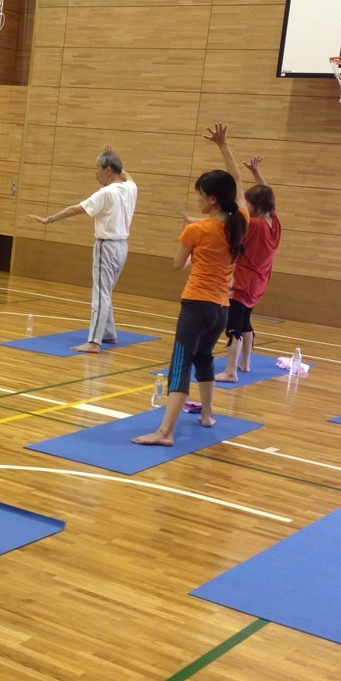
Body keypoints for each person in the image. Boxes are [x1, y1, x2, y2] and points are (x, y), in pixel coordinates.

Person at [133, 137, 247, 448]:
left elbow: (177, 264)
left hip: (196, 305)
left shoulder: (196, 230)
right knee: (204, 357)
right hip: (221, 309)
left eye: (200, 196)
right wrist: (225, 147)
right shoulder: (240, 222)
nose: (197, 201)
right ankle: (207, 415)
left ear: (211, 199)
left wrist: (191, 250)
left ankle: (165, 433)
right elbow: (237, 181)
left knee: (181, 364)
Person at [29, 145, 137, 352]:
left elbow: (75, 209)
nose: (95, 172)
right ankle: (109, 334)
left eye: (98, 167)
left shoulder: (105, 193)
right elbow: (126, 174)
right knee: (106, 291)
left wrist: (48, 220)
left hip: (107, 247)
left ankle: (94, 341)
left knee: (100, 294)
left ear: (108, 170)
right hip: (122, 247)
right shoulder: (131, 188)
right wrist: (114, 157)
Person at [199, 123, 282, 382]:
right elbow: (268, 196)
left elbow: (236, 189)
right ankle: (246, 362)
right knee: (245, 322)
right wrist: (258, 174)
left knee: (233, 326)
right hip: (259, 283)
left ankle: (231, 370)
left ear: (254, 206)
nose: (244, 204)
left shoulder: (253, 224)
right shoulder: (273, 223)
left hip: (242, 282)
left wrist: (225, 148)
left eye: (248, 202)